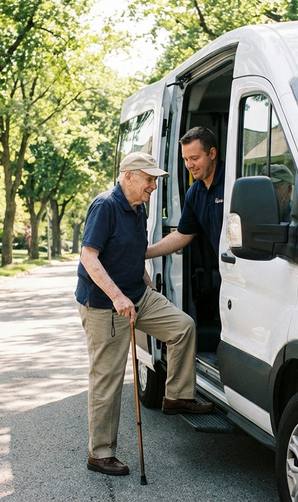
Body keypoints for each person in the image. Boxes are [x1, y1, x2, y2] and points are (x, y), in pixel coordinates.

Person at [75, 151, 214, 477]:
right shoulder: (105, 206)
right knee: (107, 379)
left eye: (154, 180)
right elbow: (88, 257)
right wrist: (117, 297)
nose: (153, 186)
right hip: (104, 305)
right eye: (149, 179)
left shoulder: (138, 208)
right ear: (128, 177)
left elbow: (135, 255)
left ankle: (176, 396)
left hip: (137, 294)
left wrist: (150, 290)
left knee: (183, 327)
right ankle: (100, 454)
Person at [145, 126, 225, 259]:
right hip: (224, 267)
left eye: (194, 158)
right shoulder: (194, 192)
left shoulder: (232, 181)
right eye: (186, 159)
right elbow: (182, 235)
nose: (189, 165)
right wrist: (143, 254)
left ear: (212, 154)